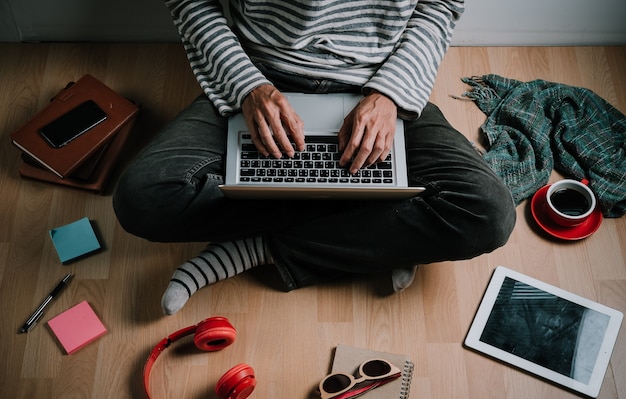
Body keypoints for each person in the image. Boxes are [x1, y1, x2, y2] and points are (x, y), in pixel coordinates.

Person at [113, 0, 516, 315]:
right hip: (261, 75)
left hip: (378, 80)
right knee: (142, 197)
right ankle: (385, 234)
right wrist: (248, 86)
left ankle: (257, 248)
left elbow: (439, 6)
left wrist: (391, 93)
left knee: (489, 214)